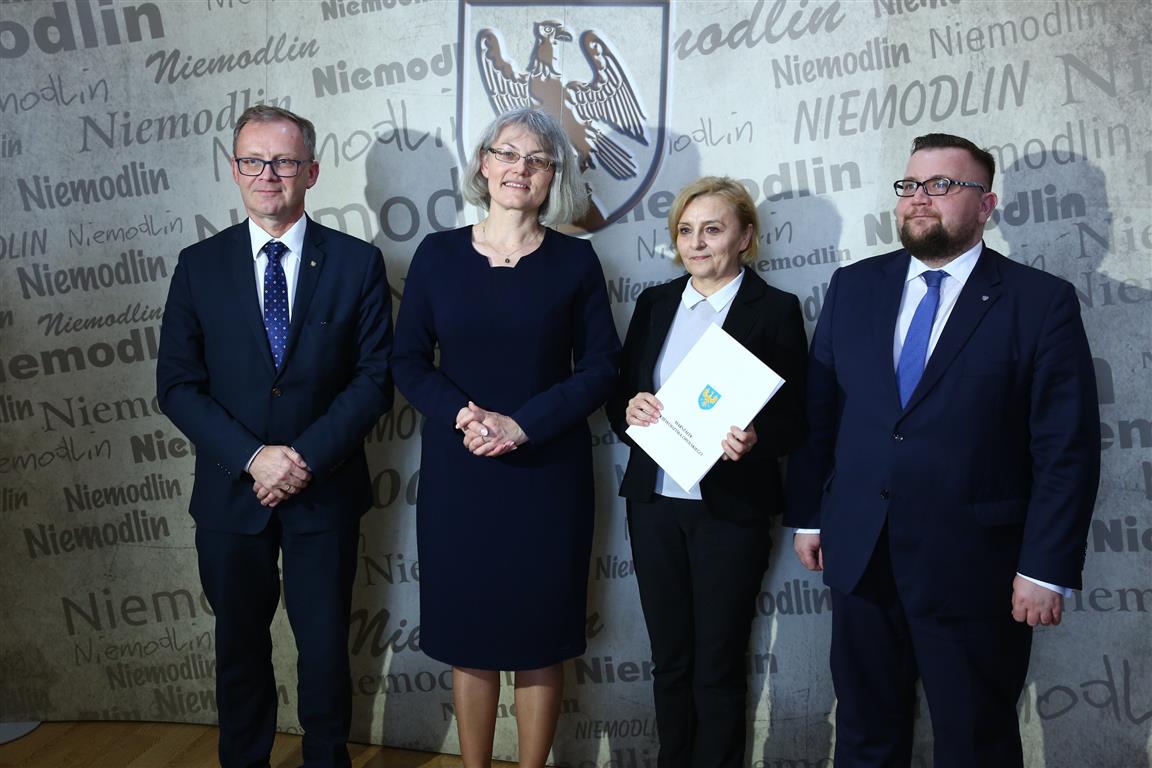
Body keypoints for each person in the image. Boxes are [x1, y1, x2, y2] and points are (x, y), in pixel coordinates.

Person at [785, 133, 1100, 767]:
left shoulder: (1040, 302)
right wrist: (810, 516)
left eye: (941, 185)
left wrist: (1044, 568)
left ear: (987, 206)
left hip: (976, 568)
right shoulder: (854, 286)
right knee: (865, 736)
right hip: (861, 556)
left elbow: (1066, 447)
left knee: (975, 741)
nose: (919, 198)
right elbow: (821, 417)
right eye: (910, 185)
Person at [156, 105, 394, 768]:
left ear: (311, 172)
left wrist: (303, 459)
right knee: (238, 648)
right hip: (231, 494)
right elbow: (176, 385)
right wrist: (254, 458)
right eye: (253, 160)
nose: (268, 174)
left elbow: (375, 380)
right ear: (234, 170)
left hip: (325, 492)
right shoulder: (198, 265)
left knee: (324, 647)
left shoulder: (357, 263)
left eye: (284, 161)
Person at [390, 107, 620, 767]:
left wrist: (524, 425)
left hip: (548, 475)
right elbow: (408, 361)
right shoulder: (436, 255)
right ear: (484, 165)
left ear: (554, 178)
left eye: (538, 160)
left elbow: (602, 367)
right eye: (508, 154)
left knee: (541, 636)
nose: (521, 169)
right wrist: (465, 416)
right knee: (470, 636)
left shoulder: (576, 261)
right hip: (461, 471)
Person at [606, 177, 808, 768]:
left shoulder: (775, 310)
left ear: (745, 237)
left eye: (712, 229)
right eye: (686, 231)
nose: (696, 243)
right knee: (670, 660)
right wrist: (629, 409)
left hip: (731, 511)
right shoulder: (654, 303)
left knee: (717, 664)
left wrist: (758, 438)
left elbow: (799, 415)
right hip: (654, 504)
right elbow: (620, 396)